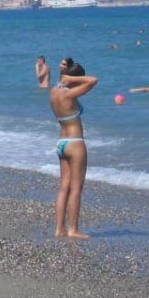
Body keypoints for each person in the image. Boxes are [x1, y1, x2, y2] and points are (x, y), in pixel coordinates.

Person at [50, 57, 98, 239]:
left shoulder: (54, 92)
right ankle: (73, 229)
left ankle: (59, 228)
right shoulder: (69, 94)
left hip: (61, 143)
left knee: (64, 186)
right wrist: (73, 80)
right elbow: (93, 80)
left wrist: (67, 78)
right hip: (75, 142)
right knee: (76, 187)